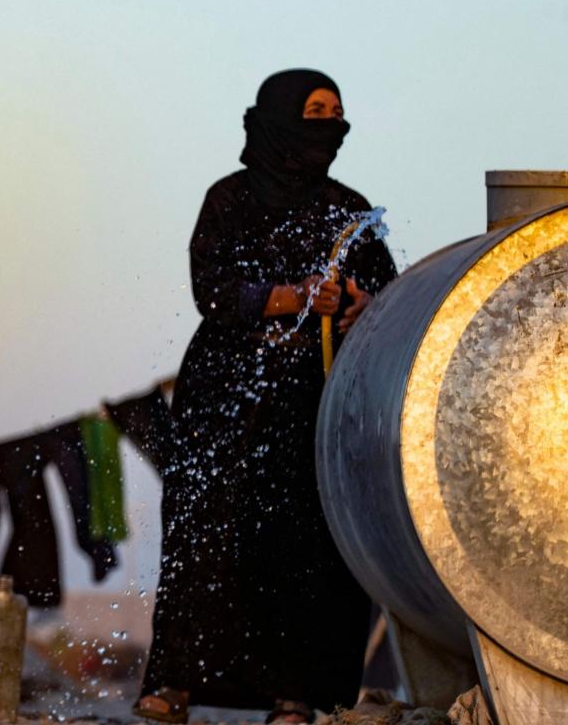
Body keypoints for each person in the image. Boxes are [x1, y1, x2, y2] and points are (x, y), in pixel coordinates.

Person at [133, 69, 397, 724]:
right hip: (223, 399)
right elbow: (213, 291)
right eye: (313, 113)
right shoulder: (229, 199)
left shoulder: (350, 208)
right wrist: (293, 296)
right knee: (205, 531)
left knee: (306, 543)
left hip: (312, 403)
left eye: (335, 114)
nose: (327, 127)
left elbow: (382, 299)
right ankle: (174, 685)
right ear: (278, 120)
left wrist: (353, 304)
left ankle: (296, 696)